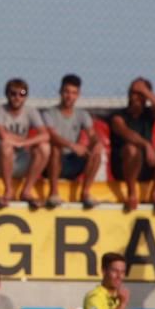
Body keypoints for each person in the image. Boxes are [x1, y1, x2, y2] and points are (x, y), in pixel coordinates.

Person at [109, 77, 155, 212]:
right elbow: (126, 133)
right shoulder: (118, 116)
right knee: (132, 149)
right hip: (125, 168)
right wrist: (146, 144)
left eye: (139, 94)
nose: (135, 97)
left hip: (146, 165)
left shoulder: (148, 114)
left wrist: (146, 92)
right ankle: (132, 194)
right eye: (133, 93)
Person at [0, 78, 51, 210]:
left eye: (22, 93)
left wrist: (25, 143)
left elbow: (45, 135)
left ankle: (26, 191)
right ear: (7, 94)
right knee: (5, 145)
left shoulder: (30, 111)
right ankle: (8, 191)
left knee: (44, 147)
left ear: (26, 96)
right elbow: (3, 135)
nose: (17, 97)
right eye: (13, 93)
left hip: (20, 161)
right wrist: (22, 142)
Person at [41, 74, 104, 210]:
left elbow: (92, 135)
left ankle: (85, 193)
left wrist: (97, 143)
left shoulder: (82, 114)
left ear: (78, 95)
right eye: (67, 92)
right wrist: (72, 145)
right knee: (55, 148)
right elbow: (51, 135)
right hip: (53, 163)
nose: (70, 96)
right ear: (61, 92)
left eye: (74, 93)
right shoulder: (49, 113)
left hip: (72, 161)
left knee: (96, 153)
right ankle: (53, 194)